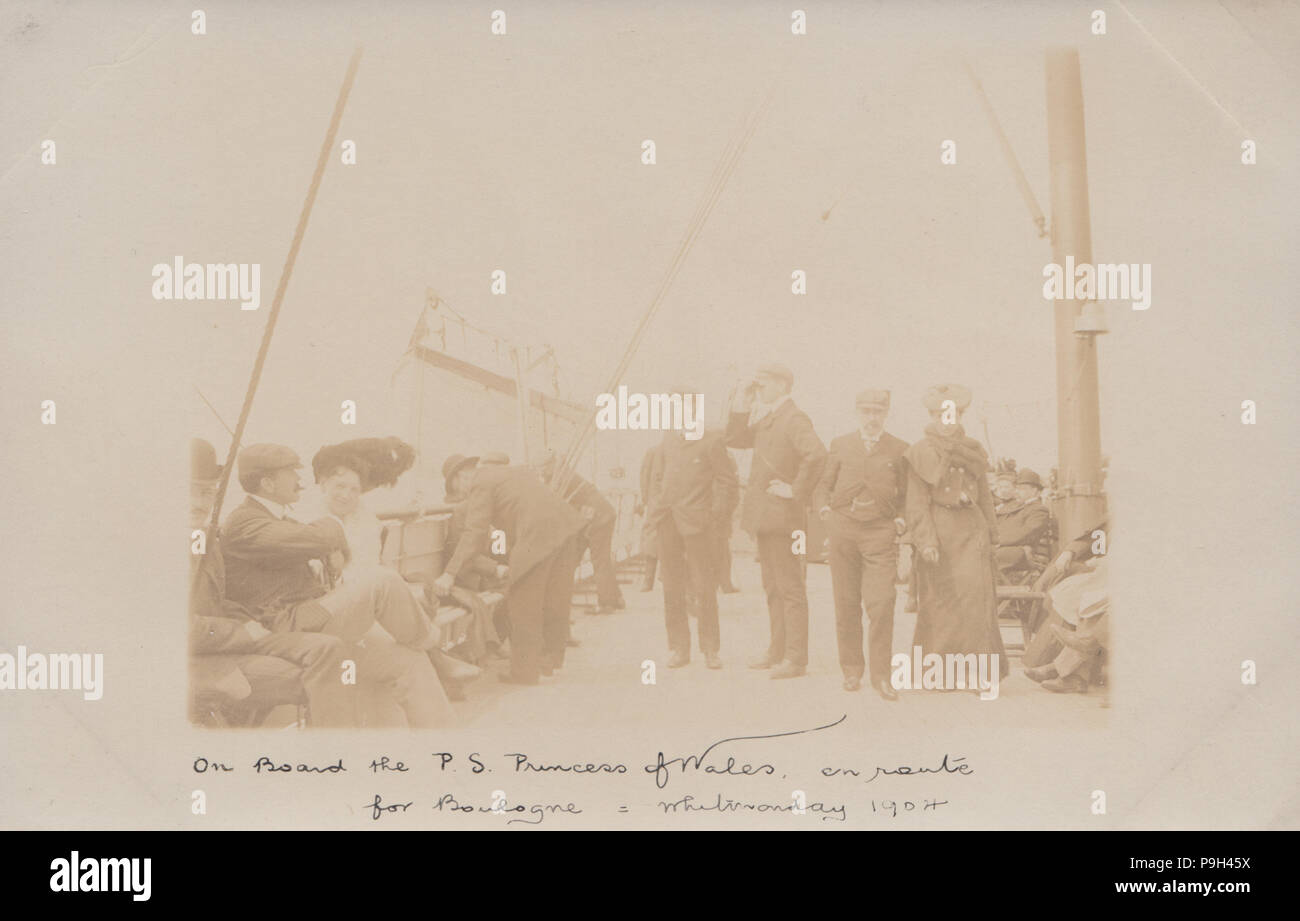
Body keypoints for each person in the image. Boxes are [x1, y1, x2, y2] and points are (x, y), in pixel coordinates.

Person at [221, 443, 456, 727]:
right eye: (291, 473)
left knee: (408, 661)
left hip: (309, 616)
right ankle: (430, 641)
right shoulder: (244, 522)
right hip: (283, 627)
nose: (300, 480)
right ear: (268, 483)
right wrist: (332, 532)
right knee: (383, 581)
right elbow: (320, 538)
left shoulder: (278, 519)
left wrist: (330, 548)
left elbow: (323, 547)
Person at [189, 439, 358, 727]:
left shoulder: (204, 539)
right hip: (196, 660)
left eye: (207, 493)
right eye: (189, 492)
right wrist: (240, 630)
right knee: (328, 674)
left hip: (226, 640)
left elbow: (218, 601)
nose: (200, 503)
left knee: (331, 650)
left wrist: (252, 623)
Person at [434, 455, 585, 684]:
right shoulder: (512, 472)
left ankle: (524, 672)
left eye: (457, 489)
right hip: (566, 527)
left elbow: (474, 532)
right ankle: (549, 659)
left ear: (460, 477)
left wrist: (449, 574)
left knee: (522, 601)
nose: (462, 495)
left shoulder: (480, 482)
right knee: (556, 597)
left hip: (538, 534)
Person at [725, 362, 827, 679]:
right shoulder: (771, 418)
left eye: (764, 383)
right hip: (768, 519)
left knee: (790, 588)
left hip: (786, 520)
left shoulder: (794, 418)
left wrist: (795, 490)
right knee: (773, 587)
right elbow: (736, 437)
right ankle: (778, 650)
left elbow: (817, 455)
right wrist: (742, 398)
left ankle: (796, 659)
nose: (760, 389)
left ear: (783, 385)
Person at [903, 384, 1009, 685]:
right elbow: (916, 503)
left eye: (954, 413)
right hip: (940, 531)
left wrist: (992, 535)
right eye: (941, 414)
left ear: (961, 415)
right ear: (933, 415)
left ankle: (980, 675)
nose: (947, 419)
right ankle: (939, 674)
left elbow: (986, 496)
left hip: (972, 531)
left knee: (977, 602)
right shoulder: (920, 451)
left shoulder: (973, 449)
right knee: (940, 603)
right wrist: (925, 541)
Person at [813, 389, 908, 697]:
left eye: (877, 411)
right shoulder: (840, 444)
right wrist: (825, 511)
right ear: (857, 412)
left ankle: (882, 676)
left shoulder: (899, 449)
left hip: (879, 533)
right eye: (866, 411)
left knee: (882, 603)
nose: (871, 417)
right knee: (846, 603)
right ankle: (852, 670)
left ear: (886, 413)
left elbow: (908, 495)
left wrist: (900, 520)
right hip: (843, 530)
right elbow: (822, 487)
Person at [647, 412, 737, 669]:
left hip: (699, 525)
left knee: (704, 586)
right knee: (671, 587)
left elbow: (728, 482)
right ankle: (678, 649)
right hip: (668, 521)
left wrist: (714, 516)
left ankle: (710, 650)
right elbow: (657, 477)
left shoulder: (711, 440)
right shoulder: (668, 438)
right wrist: (657, 506)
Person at [539, 452, 625, 614]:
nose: (541, 473)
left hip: (597, 517)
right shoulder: (563, 474)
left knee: (599, 559)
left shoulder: (561, 479)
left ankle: (606, 603)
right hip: (594, 516)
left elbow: (554, 505)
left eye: (543, 469)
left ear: (551, 465)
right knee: (581, 558)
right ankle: (615, 598)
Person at [994, 468, 1054, 576]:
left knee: (986, 557)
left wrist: (998, 542)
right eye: (1018, 488)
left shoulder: (1039, 510)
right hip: (1011, 549)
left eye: (1022, 489)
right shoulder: (1019, 507)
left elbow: (1026, 533)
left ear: (1035, 491)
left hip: (1025, 553)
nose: (1018, 492)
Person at [638, 440, 665, 592]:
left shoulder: (680, 450)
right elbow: (644, 474)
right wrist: (646, 498)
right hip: (655, 502)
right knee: (652, 538)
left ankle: (665, 577)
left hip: (673, 502)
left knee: (672, 538)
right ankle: (648, 579)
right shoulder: (653, 451)